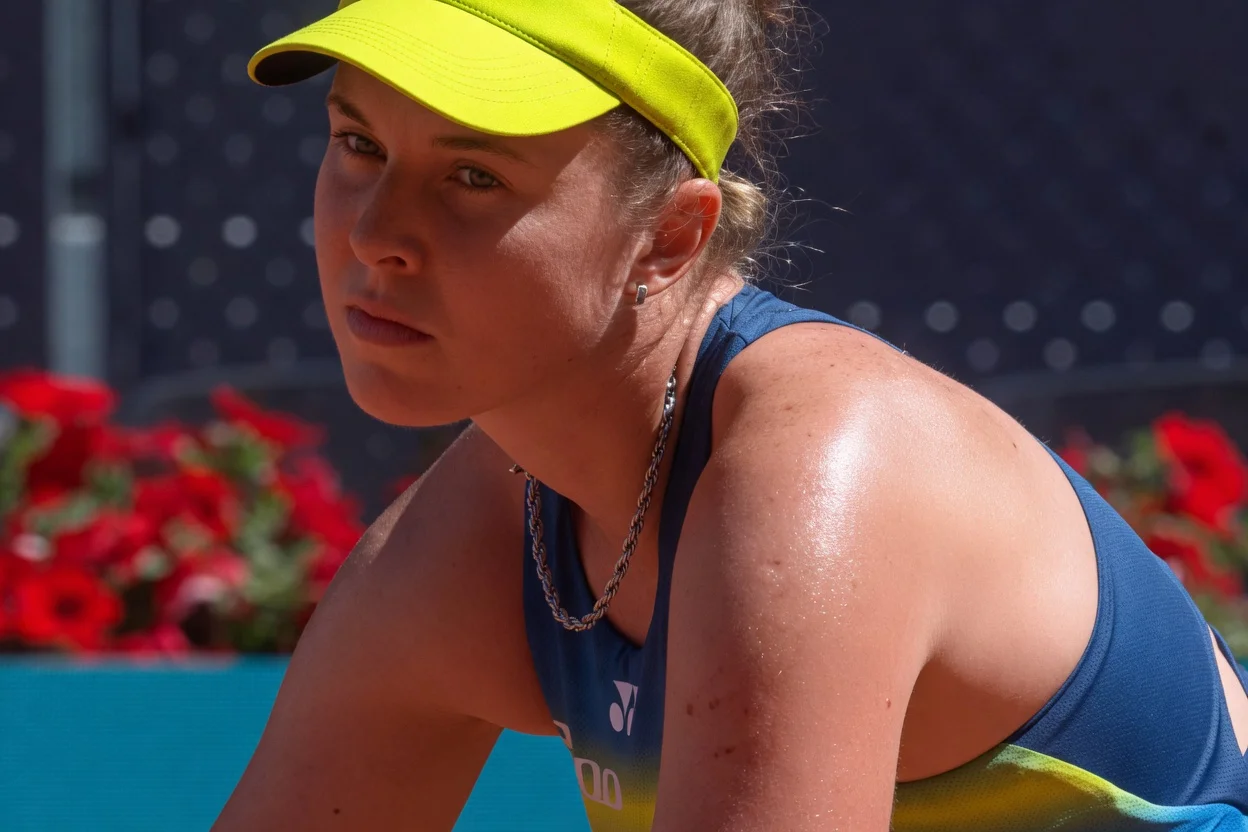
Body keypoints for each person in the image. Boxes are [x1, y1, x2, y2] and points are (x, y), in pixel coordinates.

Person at [213, 1, 1248, 829]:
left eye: (473, 175)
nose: (379, 233)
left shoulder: (826, 470)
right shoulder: (480, 529)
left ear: (668, 239)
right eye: (358, 143)